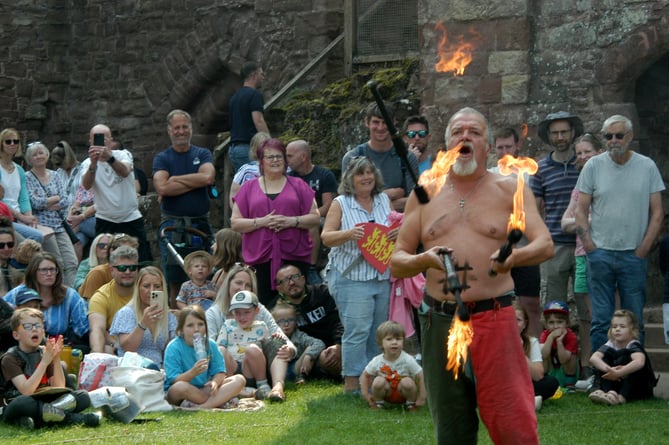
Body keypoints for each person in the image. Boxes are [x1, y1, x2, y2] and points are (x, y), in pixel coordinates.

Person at [390, 107, 554, 444]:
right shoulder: (424, 194)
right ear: (447, 144)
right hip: (439, 321)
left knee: (512, 424)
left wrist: (515, 257)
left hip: (494, 317)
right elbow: (397, 261)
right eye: (457, 132)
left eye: (475, 132)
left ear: (489, 146)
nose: (465, 137)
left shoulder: (510, 189)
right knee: (451, 428)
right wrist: (424, 258)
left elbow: (545, 244)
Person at [574, 114, 664, 352]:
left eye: (619, 135)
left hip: (633, 256)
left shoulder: (647, 166)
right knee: (601, 321)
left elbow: (657, 213)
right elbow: (580, 210)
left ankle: (636, 377)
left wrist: (643, 249)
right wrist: (590, 247)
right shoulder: (593, 166)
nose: (613, 140)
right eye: (608, 136)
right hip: (600, 254)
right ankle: (601, 375)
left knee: (635, 321)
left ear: (630, 136)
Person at [321, 156, 397, 393]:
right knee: (357, 330)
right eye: (360, 174)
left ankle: (375, 381)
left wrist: (397, 233)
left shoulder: (384, 199)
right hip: (351, 277)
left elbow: (397, 224)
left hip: (382, 275)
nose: (366, 177)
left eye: (369, 173)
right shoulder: (340, 203)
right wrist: (349, 233)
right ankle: (352, 384)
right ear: (350, 179)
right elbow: (326, 237)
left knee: (378, 330)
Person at [230, 138, 320, 304]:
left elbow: (315, 217)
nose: (275, 160)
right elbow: (235, 223)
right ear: (261, 161)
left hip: (295, 255)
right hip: (260, 258)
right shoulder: (248, 188)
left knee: (297, 304)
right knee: (264, 305)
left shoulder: (298, 185)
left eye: (279, 156)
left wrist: (291, 221)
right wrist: (262, 222)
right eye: (270, 157)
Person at [205, 263, 296, 403]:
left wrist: (290, 349)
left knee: (276, 340)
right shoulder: (215, 313)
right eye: (239, 283)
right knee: (219, 349)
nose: (243, 288)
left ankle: (277, 387)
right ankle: (235, 389)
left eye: (248, 285)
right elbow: (209, 348)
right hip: (229, 368)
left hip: (255, 366)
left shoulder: (258, 308)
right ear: (228, 284)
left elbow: (277, 334)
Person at [1, 308, 100, 428]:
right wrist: (44, 362)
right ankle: (73, 419)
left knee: (83, 396)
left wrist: (56, 358)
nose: (34, 329)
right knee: (24, 403)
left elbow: (59, 387)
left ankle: (39, 418)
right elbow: (26, 391)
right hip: (18, 401)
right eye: (27, 326)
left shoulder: (44, 352)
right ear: (16, 335)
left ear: (43, 331)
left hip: (45, 400)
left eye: (38, 325)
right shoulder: (10, 358)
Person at [153, 110, 215, 299]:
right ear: (169, 130)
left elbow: (208, 177)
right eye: (177, 127)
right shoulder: (162, 158)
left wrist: (176, 179)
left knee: (205, 276)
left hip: (200, 224)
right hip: (173, 226)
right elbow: (162, 188)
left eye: (184, 127)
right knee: (175, 281)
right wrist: (195, 181)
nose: (181, 131)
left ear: (190, 128)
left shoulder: (202, 153)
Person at [490, 127, 542, 338]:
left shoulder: (530, 173)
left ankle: (534, 353)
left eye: (508, 147)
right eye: (500, 148)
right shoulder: (488, 175)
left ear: (517, 145)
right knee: (497, 302)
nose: (505, 152)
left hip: (526, 247)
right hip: (497, 249)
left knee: (530, 303)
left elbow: (539, 207)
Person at [560, 133, 604, 383]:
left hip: (604, 254)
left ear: (599, 152)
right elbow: (565, 221)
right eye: (578, 153)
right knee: (590, 316)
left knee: (610, 312)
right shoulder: (579, 186)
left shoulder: (608, 180)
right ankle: (593, 369)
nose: (582, 156)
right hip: (581, 255)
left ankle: (612, 365)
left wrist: (582, 222)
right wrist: (583, 222)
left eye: (587, 151)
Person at [531, 111, 583, 303]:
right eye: (555, 133)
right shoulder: (540, 169)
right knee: (554, 307)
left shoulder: (586, 164)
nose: (560, 137)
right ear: (549, 135)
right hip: (555, 247)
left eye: (564, 132)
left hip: (584, 244)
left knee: (588, 307)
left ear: (573, 132)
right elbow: (534, 210)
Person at [80, 124, 152, 264]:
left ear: (111, 140)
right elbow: (87, 185)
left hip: (130, 218)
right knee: (105, 264)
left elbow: (125, 172)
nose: (101, 143)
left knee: (142, 262)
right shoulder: (87, 163)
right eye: (96, 139)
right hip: (105, 220)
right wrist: (93, 164)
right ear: (90, 142)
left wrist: (109, 158)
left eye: (104, 138)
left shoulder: (123, 154)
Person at [341, 102, 419, 212]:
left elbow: (413, 201)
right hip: (362, 225)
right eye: (376, 122)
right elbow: (348, 203)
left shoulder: (407, 157)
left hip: (398, 225)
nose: (381, 128)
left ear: (394, 123)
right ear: (367, 122)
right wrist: (390, 194)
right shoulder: (352, 158)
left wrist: (370, 200)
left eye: (385, 122)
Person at [164, 305, 245, 409]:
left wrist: (215, 382)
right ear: (181, 329)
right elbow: (173, 380)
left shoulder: (210, 344)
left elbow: (220, 372)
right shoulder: (173, 347)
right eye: (190, 325)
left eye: (200, 324)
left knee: (239, 380)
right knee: (179, 387)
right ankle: (220, 400)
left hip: (204, 389)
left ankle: (203, 406)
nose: (196, 329)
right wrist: (192, 373)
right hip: (183, 391)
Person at [3, 253, 89, 351]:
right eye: (44, 270)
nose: (49, 274)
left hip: (58, 347)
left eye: (52, 269)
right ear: (34, 272)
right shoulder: (19, 292)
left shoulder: (69, 295)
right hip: (23, 348)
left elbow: (83, 328)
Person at [270, 263, 343, 377]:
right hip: (301, 355)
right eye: (284, 281)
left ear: (303, 278)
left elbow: (338, 321)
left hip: (331, 346)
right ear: (279, 288)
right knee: (326, 358)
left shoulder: (322, 293)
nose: (291, 282)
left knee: (329, 356)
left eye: (294, 277)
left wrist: (338, 345)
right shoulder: (276, 309)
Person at [24, 142, 79, 286]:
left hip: (59, 224)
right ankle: (58, 293)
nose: (38, 156)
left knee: (71, 261)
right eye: (34, 155)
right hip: (43, 226)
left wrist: (48, 203)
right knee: (57, 263)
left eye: (41, 153)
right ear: (30, 159)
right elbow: (35, 203)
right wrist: (54, 199)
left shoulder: (55, 175)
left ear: (47, 155)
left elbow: (65, 200)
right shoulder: (27, 177)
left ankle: (71, 293)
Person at [286, 139, 338, 284]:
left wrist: (309, 216)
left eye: (290, 156)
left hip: (319, 217)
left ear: (303, 157)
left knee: (312, 223)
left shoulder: (324, 175)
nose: (286, 160)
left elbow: (329, 205)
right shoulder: (288, 178)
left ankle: (311, 268)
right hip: (292, 217)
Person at [110, 266, 177, 368]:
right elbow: (127, 348)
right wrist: (143, 324)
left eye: (157, 286)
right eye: (146, 286)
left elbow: (171, 351)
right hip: (131, 368)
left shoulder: (168, 316)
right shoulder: (126, 313)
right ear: (138, 288)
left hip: (157, 369)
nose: (151, 291)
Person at [588, 309, 657, 405]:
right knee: (603, 359)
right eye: (614, 326)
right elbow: (593, 358)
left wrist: (619, 372)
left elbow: (639, 362)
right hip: (616, 379)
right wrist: (610, 370)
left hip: (637, 386)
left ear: (632, 329)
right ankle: (604, 392)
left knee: (627, 358)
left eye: (622, 326)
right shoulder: (611, 343)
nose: (617, 329)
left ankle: (622, 396)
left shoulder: (633, 344)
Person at [217, 290, 274, 400]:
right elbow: (220, 346)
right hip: (232, 368)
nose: (242, 317)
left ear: (256, 311)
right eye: (237, 312)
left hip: (250, 369)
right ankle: (231, 387)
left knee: (252, 349)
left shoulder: (261, 326)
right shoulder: (228, 325)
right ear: (232, 312)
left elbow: (268, 348)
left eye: (247, 312)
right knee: (220, 350)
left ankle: (262, 384)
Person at [360, 320, 425, 411]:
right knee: (378, 380)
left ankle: (411, 405)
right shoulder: (377, 361)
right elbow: (365, 375)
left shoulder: (407, 359)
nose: (394, 342)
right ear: (381, 342)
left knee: (407, 382)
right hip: (387, 392)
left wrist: (421, 397)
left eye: (398, 339)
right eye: (389, 339)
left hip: (403, 392)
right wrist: (366, 394)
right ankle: (378, 404)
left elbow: (421, 375)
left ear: (403, 341)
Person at [87, 245, 139, 354]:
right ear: (111, 270)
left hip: (144, 346)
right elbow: (97, 329)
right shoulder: (101, 296)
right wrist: (97, 355)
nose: (128, 272)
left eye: (133, 267)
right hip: (117, 348)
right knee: (106, 350)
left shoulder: (146, 291)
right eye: (122, 268)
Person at [0, 129, 43, 243]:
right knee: (36, 237)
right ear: (1, 144)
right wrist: (22, 217)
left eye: (16, 141)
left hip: (18, 218)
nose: (12, 144)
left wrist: (29, 217)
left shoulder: (19, 170)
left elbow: (23, 198)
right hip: (4, 219)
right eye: (8, 141)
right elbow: (1, 201)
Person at [515, 304, 559, 410]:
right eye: (509, 320)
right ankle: (528, 401)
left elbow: (538, 375)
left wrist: (519, 351)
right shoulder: (496, 341)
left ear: (525, 324)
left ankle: (521, 401)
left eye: (518, 320)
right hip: (503, 385)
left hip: (524, 384)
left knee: (551, 382)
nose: (513, 324)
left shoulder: (531, 342)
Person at [228, 62, 270, 173]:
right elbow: (258, 120)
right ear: (254, 75)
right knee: (256, 183)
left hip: (233, 149)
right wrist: (269, 142)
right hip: (248, 148)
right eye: (261, 74)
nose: (263, 77)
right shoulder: (254, 95)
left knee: (243, 183)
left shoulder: (234, 98)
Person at [271, 303, 325, 384]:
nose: (286, 324)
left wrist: (309, 356)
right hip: (275, 371)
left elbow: (319, 343)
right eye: (281, 321)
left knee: (310, 348)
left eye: (290, 320)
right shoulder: (272, 336)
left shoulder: (299, 335)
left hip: (295, 369)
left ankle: (301, 377)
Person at [78, 233, 138, 300]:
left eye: (132, 251)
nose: (129, 255)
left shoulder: (135, 272)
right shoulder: (97, 273)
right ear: (111, 251)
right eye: (124, 251)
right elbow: (90, 305)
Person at [539, 301, 578, 390]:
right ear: (546, 324)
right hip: (551, 368)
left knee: (572, 356)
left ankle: (570, 383)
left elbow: (564, 360)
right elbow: (543, 355)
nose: (555, 326)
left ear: (567, 323)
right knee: (543, 352)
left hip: (565, 369)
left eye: (559, 322)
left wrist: (559, 342)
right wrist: (550, 337)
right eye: (551, 322)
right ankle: (544, 379)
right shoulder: (545, 334)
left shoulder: (571, 336)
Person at [229, 131, 270, 208]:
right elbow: (233, 198)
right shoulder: (246, 170)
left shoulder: (281, 168)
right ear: (254, 149)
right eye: (262, 146)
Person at [50, 140, 82, 210]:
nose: (59, 166)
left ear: (67, 158)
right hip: (62, 212)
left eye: (60, 163)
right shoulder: (59, 172)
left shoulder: (83, 170)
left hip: (79, 211)